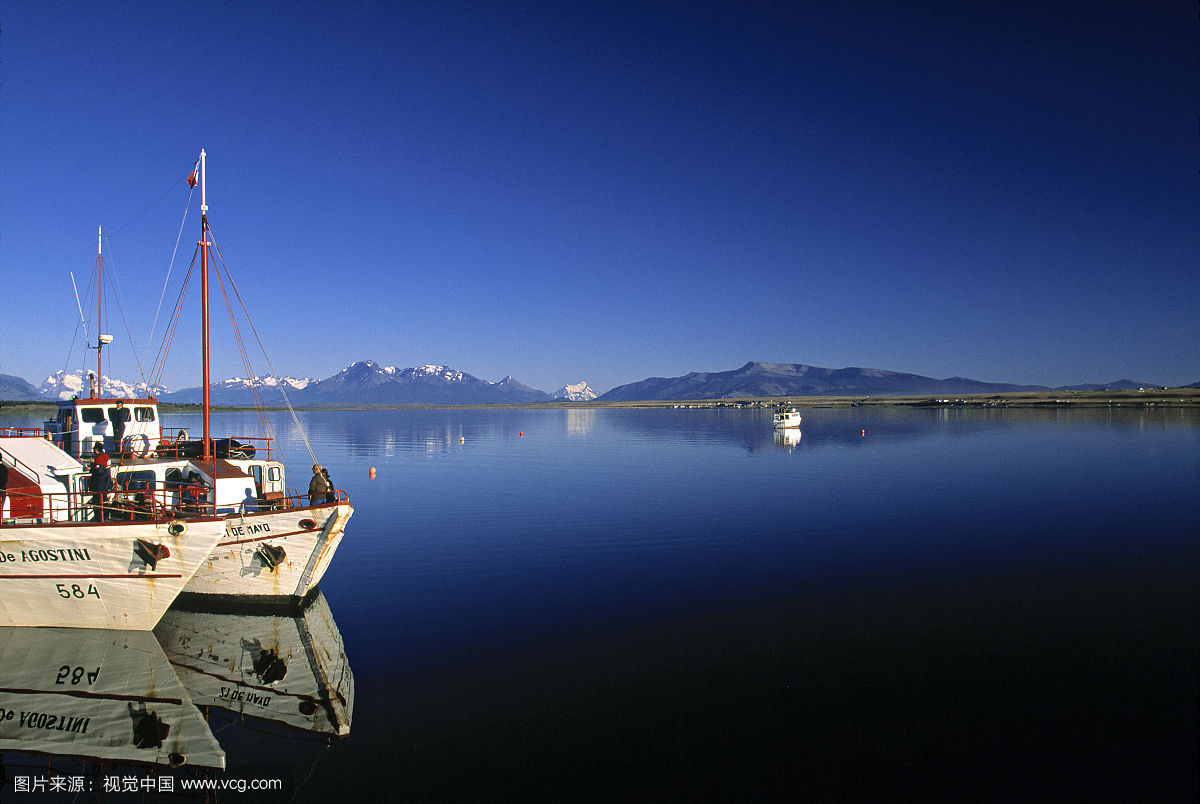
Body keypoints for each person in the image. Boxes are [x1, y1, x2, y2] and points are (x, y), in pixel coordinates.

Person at [89, 452, 113, 521]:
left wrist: (92, 468)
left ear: (96, 450)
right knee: (103, 502)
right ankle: (104, 517)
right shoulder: (105, 457)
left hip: (99, 486)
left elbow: (99, 471)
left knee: (99, 502)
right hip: (105, 485)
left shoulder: (100, 459)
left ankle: (100, 518)